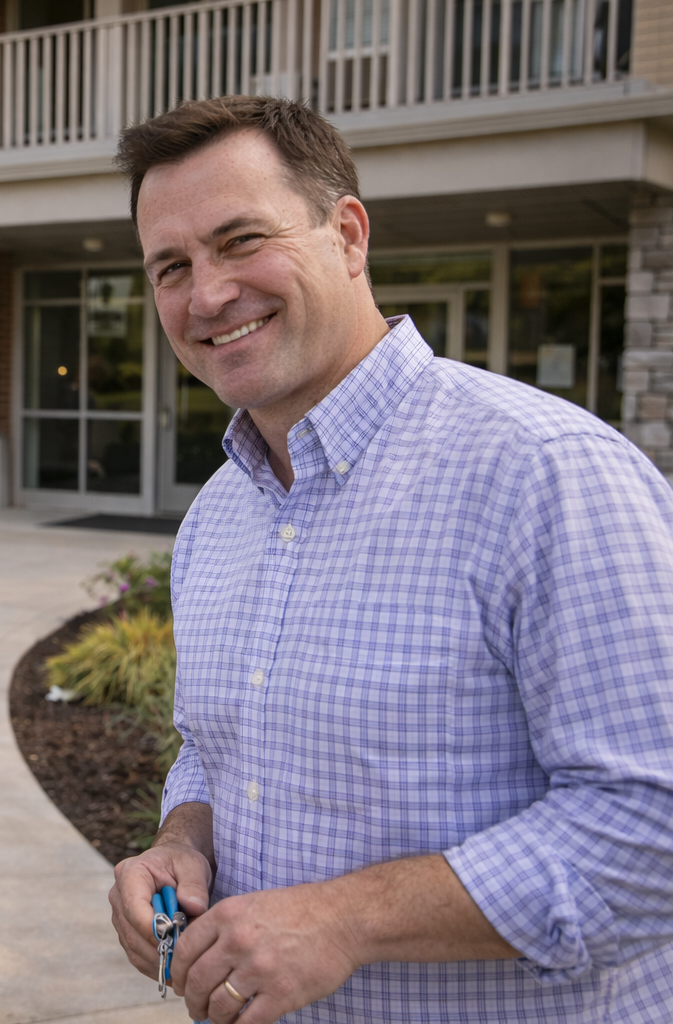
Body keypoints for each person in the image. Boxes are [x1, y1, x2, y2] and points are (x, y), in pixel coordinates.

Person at [107, 95, 673, 1023]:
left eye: (242, 240)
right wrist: (182, 841)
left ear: (350, 234)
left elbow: (654, 825)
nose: (206, 295)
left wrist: (347, 921)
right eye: (172, 266)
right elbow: (214, 752)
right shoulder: (217, 515)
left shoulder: (546, 474)